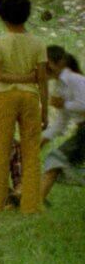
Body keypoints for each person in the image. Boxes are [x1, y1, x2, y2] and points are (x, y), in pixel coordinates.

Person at [0, 0, 47, 214]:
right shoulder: (38, 43)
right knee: (31, 153)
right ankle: (31, 205)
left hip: (5, 98)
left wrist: (17, 79)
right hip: (30, 98)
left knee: (0, 151)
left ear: (2, 16)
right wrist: (45, 110)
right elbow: (42, 81)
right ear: (26, 14)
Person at [41, 46, 85, 201]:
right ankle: (35, 203)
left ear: (60, 62)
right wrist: (43, 139)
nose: (44, 69)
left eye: (47, 64)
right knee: (54, 161)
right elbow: (61, 122)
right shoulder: (60, 86)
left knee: (56, 159)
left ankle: (34, 203)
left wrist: (64, 104)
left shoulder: (75, 79)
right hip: (82, 132)